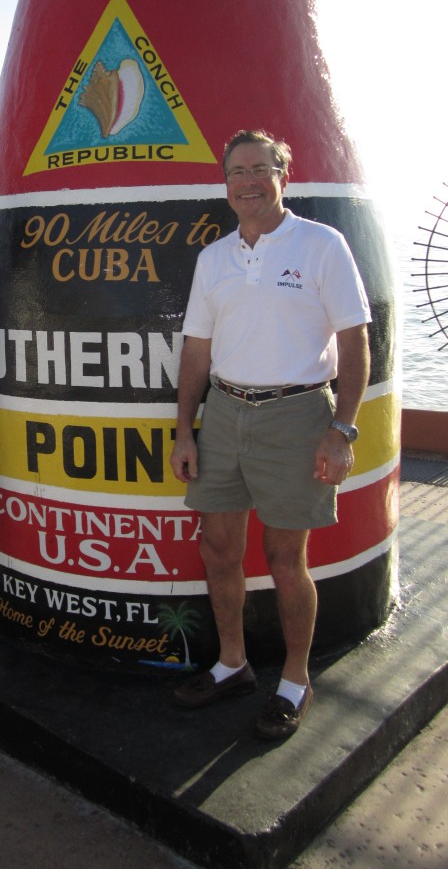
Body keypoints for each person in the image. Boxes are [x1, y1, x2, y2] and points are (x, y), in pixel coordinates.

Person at [170, 130, 370, 738]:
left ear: (284, 174)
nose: (248, 180)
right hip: (225, 415)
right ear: (225, 183)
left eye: (261, 168)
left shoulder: (321, 245)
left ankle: (294, 679)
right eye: (237, 171)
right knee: (219, 551)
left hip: (298, 414)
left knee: (287, 560)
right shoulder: (214, 258)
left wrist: (342, 430)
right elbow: (196, 354)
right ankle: (232, 663)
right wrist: (185, 431)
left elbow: (357, 343)